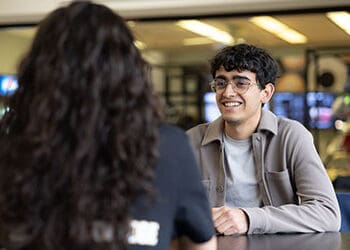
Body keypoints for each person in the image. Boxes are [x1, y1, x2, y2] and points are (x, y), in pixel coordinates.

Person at [0, 1, 216, 250]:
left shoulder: (11, 148)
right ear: (129, 73)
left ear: (38, 70)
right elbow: (201, 243)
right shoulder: (169, 145)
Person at [186, 43, 341, 235]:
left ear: (266, 93)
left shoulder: (291, 136)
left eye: (241, 83)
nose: (227, 93)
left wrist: (249, 218)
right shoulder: (190, 142)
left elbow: (327, 214)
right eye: (221, 83)